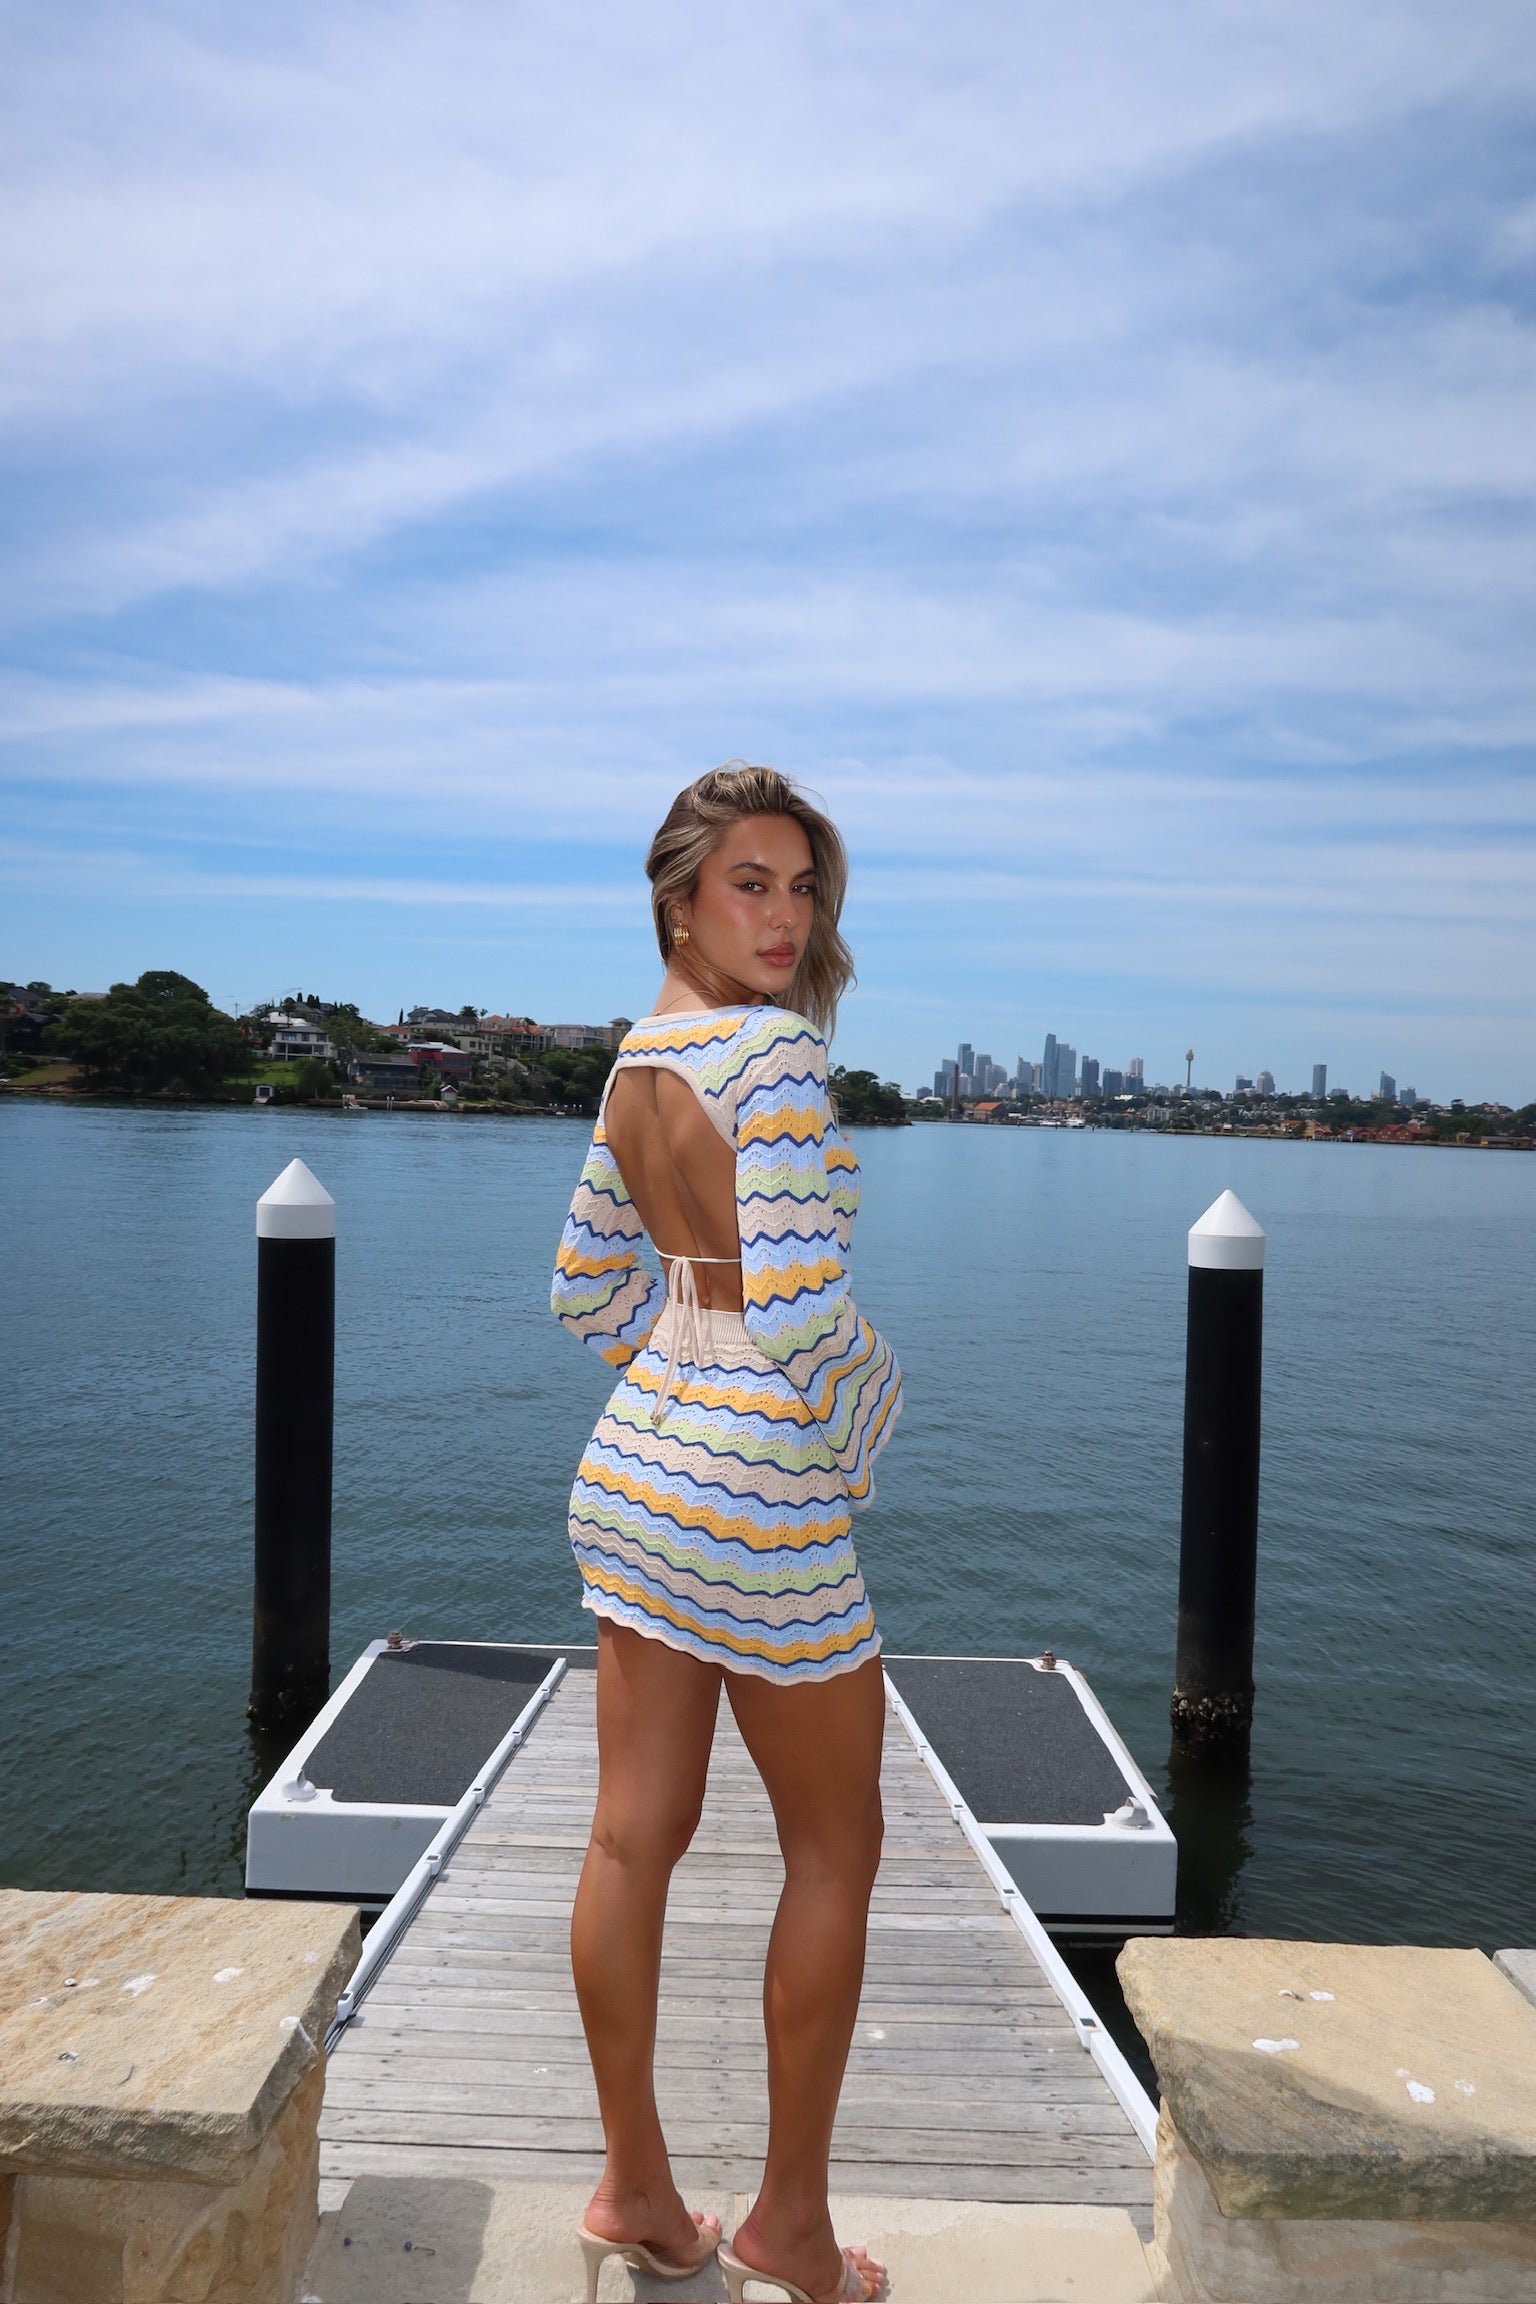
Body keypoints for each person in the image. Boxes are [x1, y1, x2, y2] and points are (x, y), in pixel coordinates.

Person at [551, 763, 904, 2304]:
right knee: (838, 1846)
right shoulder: (777, 1057)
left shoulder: (640, 1062)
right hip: (757, 1488)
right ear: (679, 899)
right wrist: (861, 1432)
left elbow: (586, 1291)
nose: (782, 917)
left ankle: (636, 2187)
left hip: (638, 1468)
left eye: (802, 887)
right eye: (749, 884)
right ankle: (790, 2229)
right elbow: (808, 1313)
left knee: (633, 1833)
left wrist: (682, 1375)